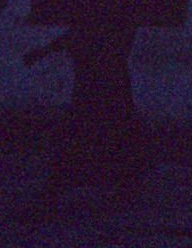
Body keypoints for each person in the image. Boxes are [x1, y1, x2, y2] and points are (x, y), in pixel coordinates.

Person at [23, 19, 151, 192]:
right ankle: (125, 179)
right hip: (99, 76)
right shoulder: (114, 15)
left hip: (97, 78)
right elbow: (81, 35)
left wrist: (49, 49)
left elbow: (85, 36)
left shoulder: (111, 17)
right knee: (111, 127)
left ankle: (62, 184)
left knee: (89, 129)